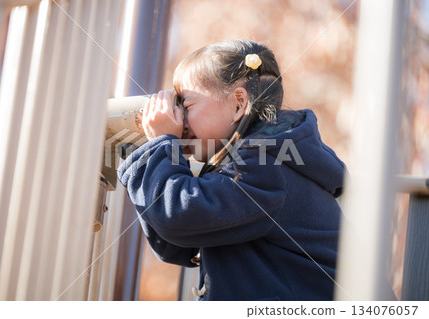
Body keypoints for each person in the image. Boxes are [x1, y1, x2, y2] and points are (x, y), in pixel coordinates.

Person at [117, 40, 346, 301]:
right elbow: (179, 243)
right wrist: (157, 148)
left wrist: (160, 147)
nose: (178, 121)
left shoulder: (268, 166)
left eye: (186, 105)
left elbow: (182, 216)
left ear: (238, 103)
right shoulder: (252, 161)